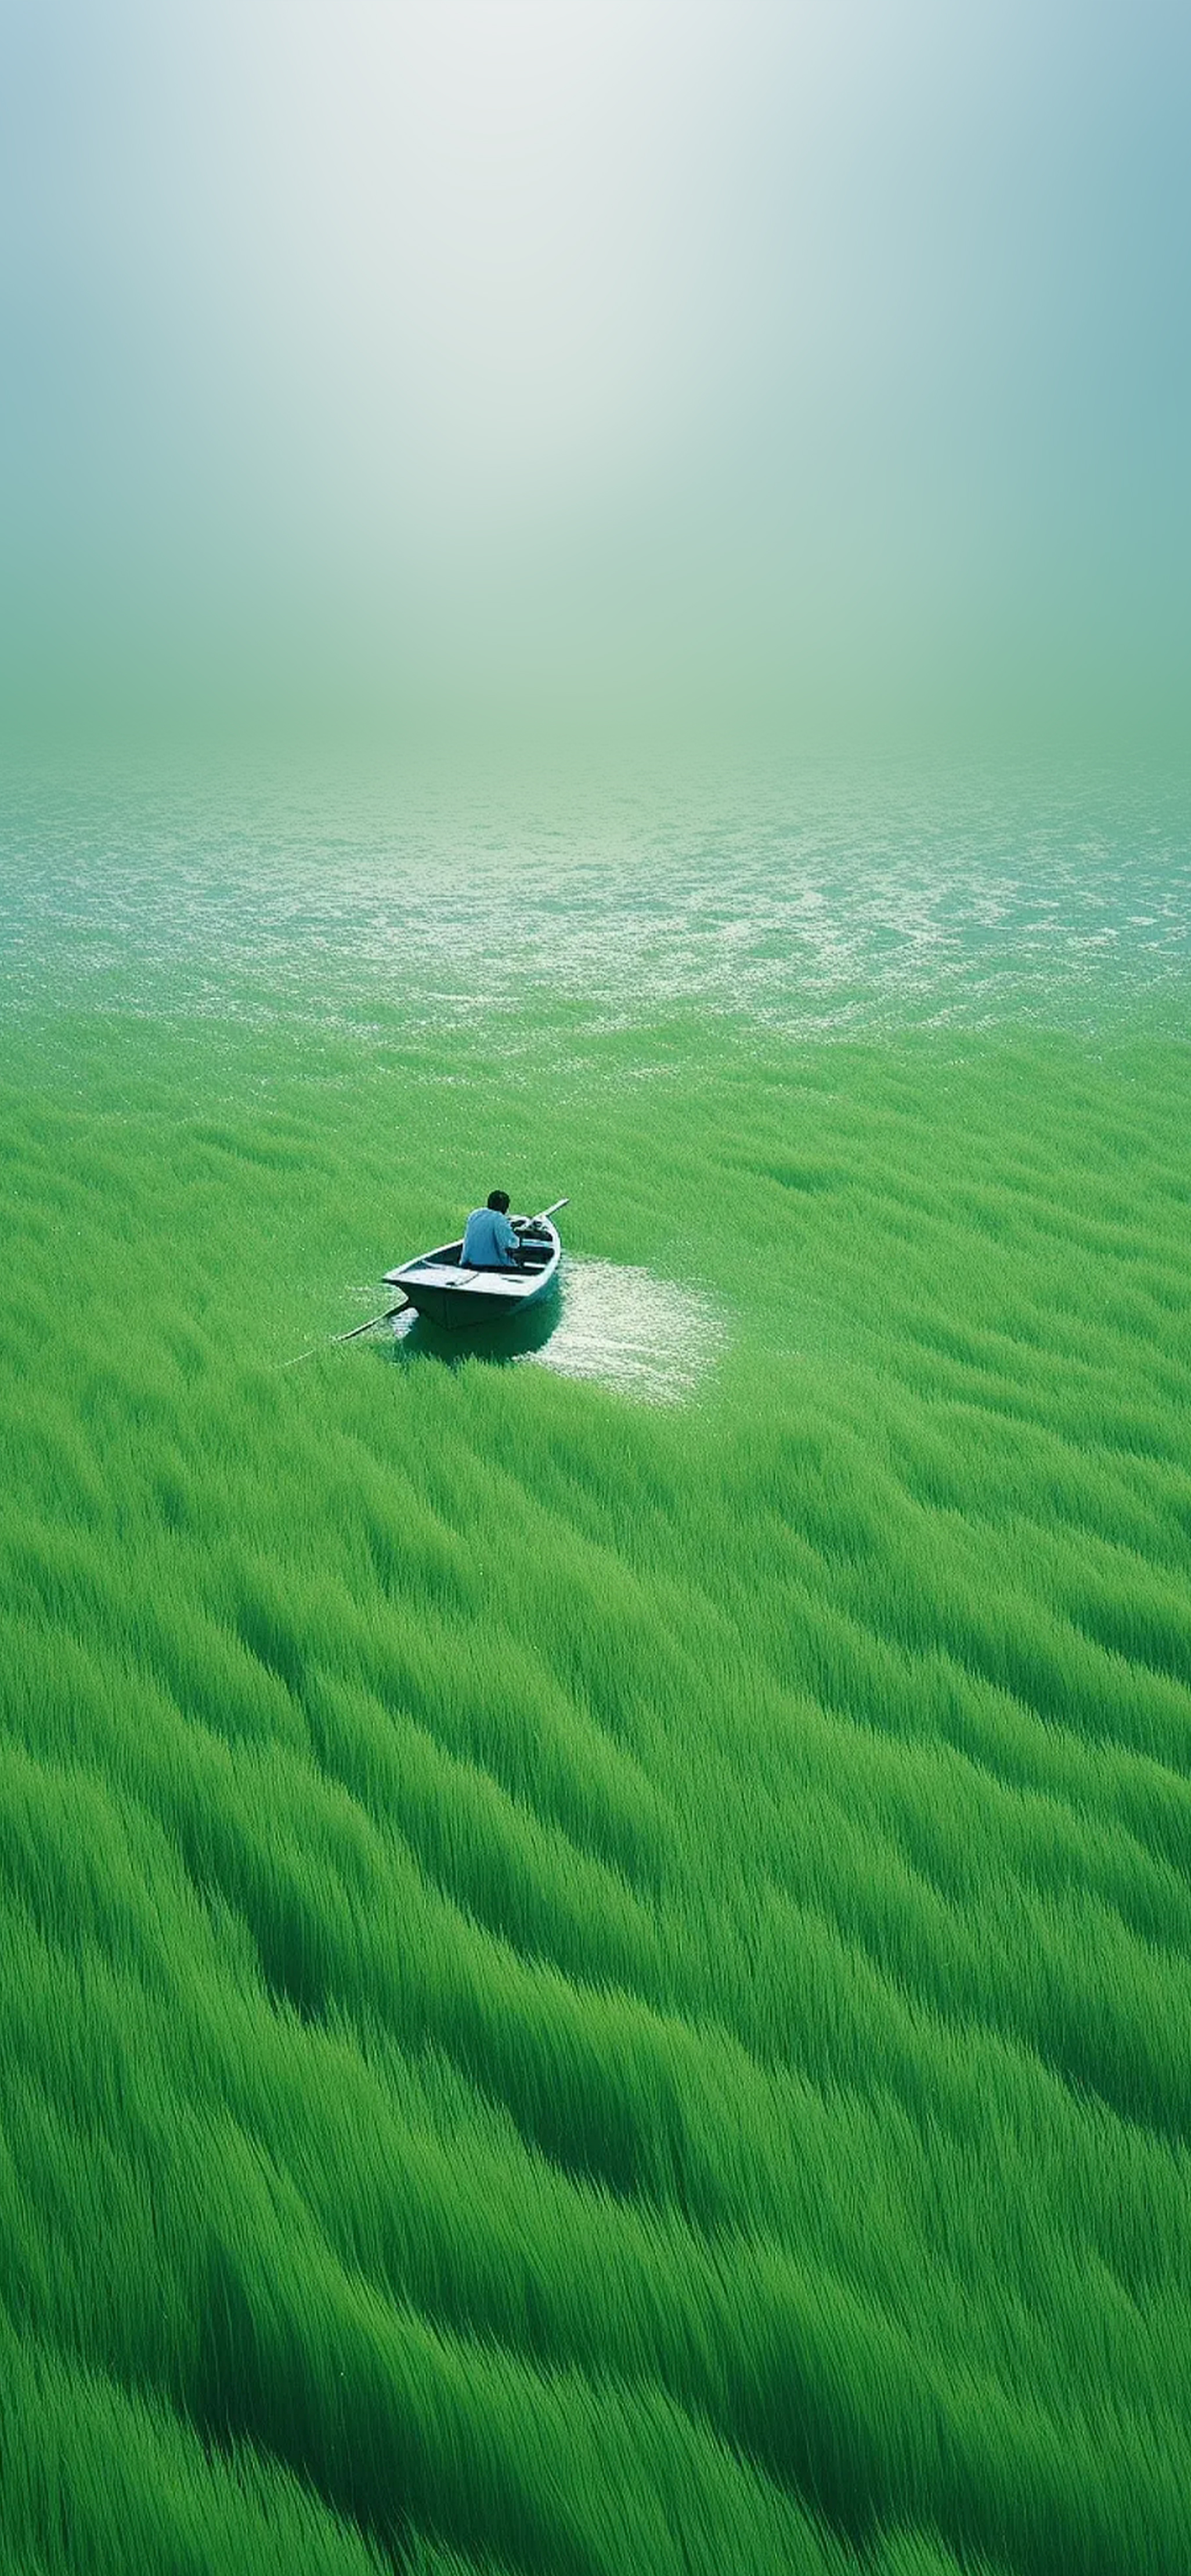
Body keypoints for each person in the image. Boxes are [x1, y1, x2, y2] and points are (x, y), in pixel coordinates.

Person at [460, 1190, 521, 1269]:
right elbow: (510, 1245)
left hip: (469, 1263)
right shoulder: (499, 1218)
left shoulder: (475, 1214)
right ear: (504, 1207)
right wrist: (518, 1238)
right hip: (492, 1267)